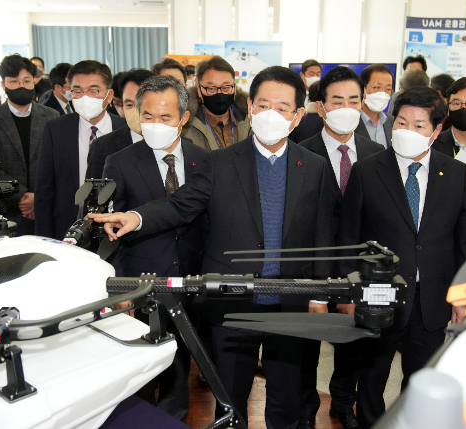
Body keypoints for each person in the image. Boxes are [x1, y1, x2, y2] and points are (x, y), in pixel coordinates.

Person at [89, 66, 335, 429]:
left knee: (285, 401)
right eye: (263, 103)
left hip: (289, 300)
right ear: (250, 106)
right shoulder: (219, 162)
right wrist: (137, 218)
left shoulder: (314, 167)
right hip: (232, 301)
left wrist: (320, 294)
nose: (271, 114)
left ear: (298, 115)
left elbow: (322, 233)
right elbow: (181, 204)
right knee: (230, 399)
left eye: (282, 107)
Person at [341, 86, 466, 429]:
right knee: (372, 377)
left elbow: (465, 242)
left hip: (432, 298)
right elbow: (349, 238)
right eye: (402, 122)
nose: (408, 131)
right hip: (381, 298)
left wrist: (463, 295)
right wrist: (347, 293)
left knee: (421, 381)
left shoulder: (457, 174)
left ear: (436, 130)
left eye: (419, 125)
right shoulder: (367, 171)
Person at [104, 75, 208, 422]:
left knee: (179, 365)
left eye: (165, 117)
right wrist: (119, 287)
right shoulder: (119, 161)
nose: (155, 124)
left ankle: (173, 419)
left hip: (189, 279)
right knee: (142, 369)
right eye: (147, 115)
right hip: (140, 282)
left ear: (183, 118)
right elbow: (110, 231)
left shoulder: (204, 159)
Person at [297, 66, 384, 429]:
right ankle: (305, 409)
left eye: (353, 99)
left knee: (352, 341)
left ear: (363, 104)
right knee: (306, 348)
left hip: (357, 265)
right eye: (338, 100)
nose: (346, 107)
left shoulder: (376, 152)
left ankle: (343, 402)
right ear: (321, 107)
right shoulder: (301, 153)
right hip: (312, 263)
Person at [35, 60, 126, 240]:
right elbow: (44, 189)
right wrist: (44, 238)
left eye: (93, 90)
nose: (85, 97)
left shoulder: (126, 130)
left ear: (109, 95)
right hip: (67, 227)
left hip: (117, 227)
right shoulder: (55, 129)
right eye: (77, 91)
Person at [0, 55, 59, 235]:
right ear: (3, 85)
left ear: (34, 82)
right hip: (6, 210)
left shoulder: (52, 116)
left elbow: (58, 164)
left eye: (26, 81)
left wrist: (38, 198)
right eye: (14, 81)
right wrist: (21, 196)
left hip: (46, 207)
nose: (21, 86)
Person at [86, 68, 156, 179]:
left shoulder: (180, 144)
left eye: (143, 103)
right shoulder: (102, 147)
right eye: (129, 105)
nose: (136, 111)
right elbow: (95, 194)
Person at [182, 56, 252, 150]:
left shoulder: (251, 120)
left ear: (234, 88)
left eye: (226, 87)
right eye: (211, 88)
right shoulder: (185, 126)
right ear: (199, 90)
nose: (219, 93)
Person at [357, 64, 395, 147]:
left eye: (388, 89)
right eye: (377, 87)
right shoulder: (351, 121)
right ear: (362, 88)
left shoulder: (392, 122)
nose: (382, 93)